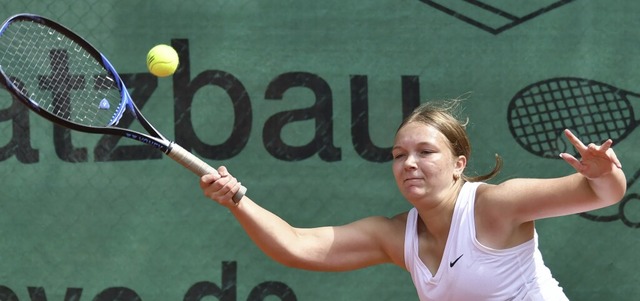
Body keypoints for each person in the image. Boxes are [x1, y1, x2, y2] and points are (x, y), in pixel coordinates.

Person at [199, 99, 626, 300]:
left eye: (426, 152)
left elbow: (602, 193)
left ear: (459, 163)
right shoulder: (394, 236)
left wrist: (605, 171)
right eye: (400, 155)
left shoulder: (496, 205)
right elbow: (295, 246)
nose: (409, 164)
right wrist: (237, 198)